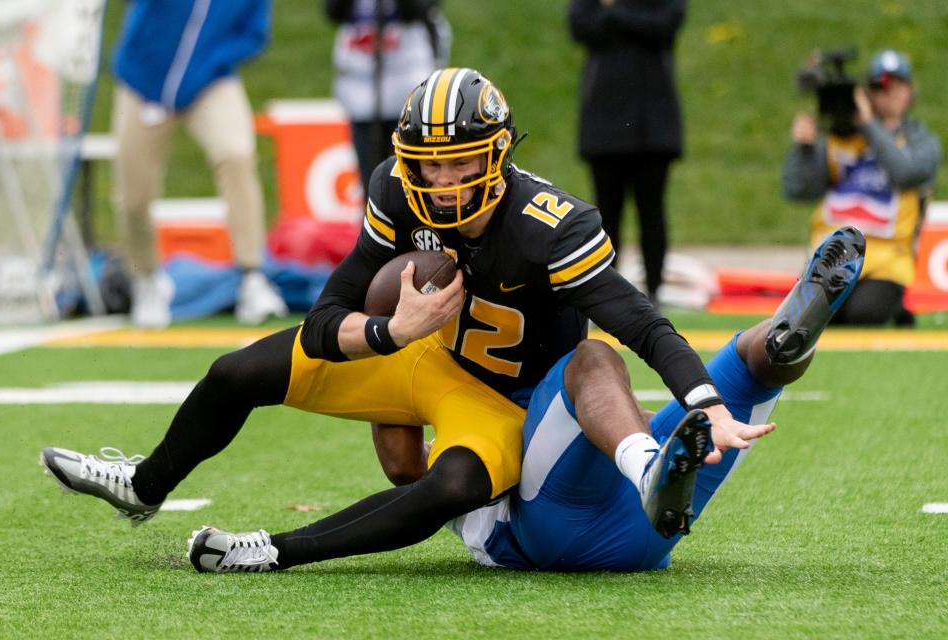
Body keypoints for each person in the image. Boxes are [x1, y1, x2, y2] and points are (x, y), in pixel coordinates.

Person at [43, 68, 769, 572]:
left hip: (500, 399)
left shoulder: (549, 223)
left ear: (497, 153)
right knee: (238, 371)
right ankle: (144, 486)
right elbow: (331, 308)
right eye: (430, 166)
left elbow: (639, 322)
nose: (443, 182)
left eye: (460, 164)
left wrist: (704, 400)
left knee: (444, 485)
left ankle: (270, 549)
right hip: (418, 350)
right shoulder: (397, 188)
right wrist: (392, 332)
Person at [186, 226, 866, 572]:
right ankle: (751, 368)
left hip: (608, 520)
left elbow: (402, 470)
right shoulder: (443, 385)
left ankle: (777, 343)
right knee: (597, 359)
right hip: (579, 521)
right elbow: (410, 475)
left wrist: (274, 548)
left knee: (747, 366)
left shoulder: (440, 391)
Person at [113, 0, 288, 328]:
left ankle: (252, 276)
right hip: (143, 79)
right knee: (133, 194)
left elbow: (253, 35)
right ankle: (147, 278)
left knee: (236, 152)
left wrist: (207, 63)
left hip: (210, 80)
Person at [783, 49, 942, 326]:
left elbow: (907, 172)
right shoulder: (838, 139)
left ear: (910, 91)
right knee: (809, 320)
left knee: (862, 315)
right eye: (879, 86)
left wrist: (868, 125)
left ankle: (895, 305)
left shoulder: (922, 140)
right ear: (865, 93)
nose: (888, 92)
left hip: (886, 261)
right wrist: (804, 149)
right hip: (829, 256)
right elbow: (798, 189)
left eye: (896, 84)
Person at [569, 0, 687, 307]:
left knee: (652, 212)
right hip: (603, 123)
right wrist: (635, 18)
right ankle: (606, 296)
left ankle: (655, 293)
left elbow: (666, 24)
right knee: (607, 214)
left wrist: (613, 12)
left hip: (654, 123)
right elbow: (580, 26)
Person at [325, 0, 451, 195]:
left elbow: (420, 9)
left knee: (414, 176)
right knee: (372, 180)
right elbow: (333, 12)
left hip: (409, 91)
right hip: (362, 93)